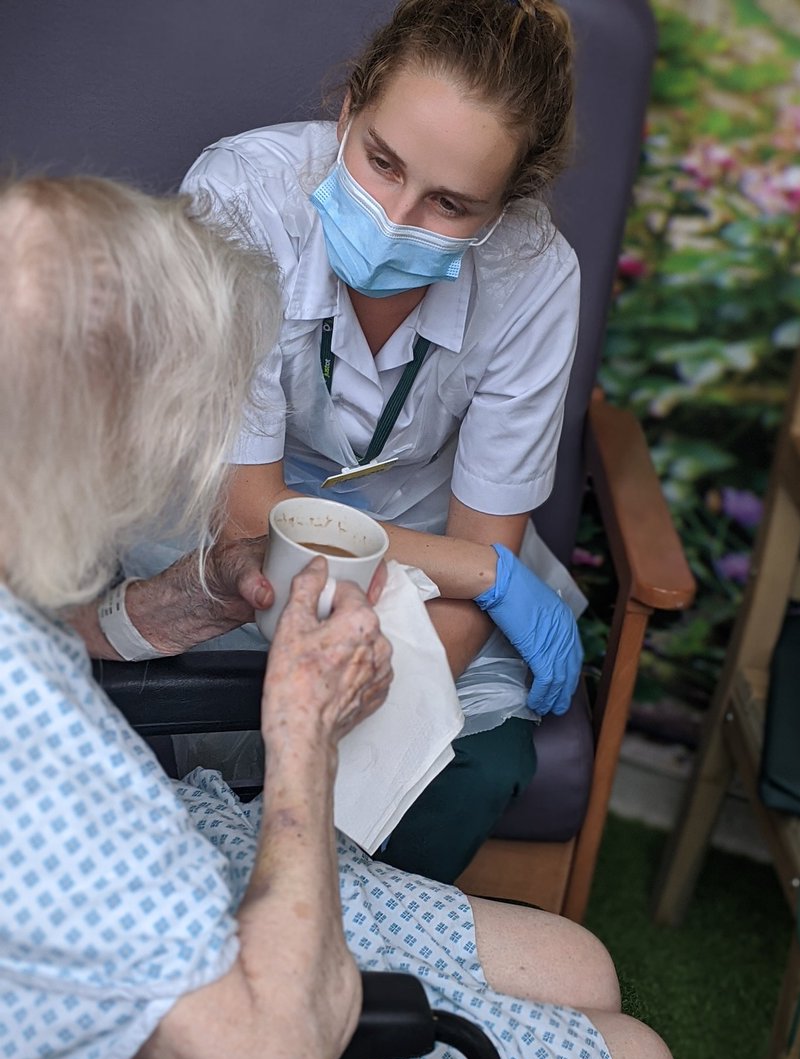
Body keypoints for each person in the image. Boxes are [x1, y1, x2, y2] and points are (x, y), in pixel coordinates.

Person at [0, 173, 674, 1059]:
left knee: (579, 967)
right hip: (200, 1053)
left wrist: (191, 596)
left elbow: (54, 633)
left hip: (149, 879)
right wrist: (303, 735)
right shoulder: (37, 752)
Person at [165, 0, 588, 882]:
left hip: (422, 558)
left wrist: (390, 698)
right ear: (350, 106)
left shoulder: (536, 275)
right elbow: (253, 512)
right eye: (381, 162)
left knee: (474, 764)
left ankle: (362, 973)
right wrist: (485, 575)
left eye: (450, 203)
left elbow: (483, 547)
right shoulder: (242, 197)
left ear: (507, 205)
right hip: (217, 525)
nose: (395, 217)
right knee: (179, 716)